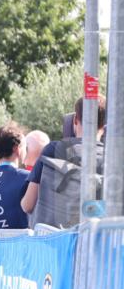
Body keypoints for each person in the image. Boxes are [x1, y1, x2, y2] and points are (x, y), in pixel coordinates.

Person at [22, 96, 107, 226]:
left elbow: (28, 205)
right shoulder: (111, 158)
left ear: (75, 119)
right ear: (104, 124)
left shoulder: (53, 150)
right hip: (94, 240)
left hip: (56, 240)